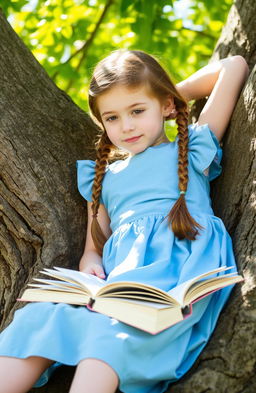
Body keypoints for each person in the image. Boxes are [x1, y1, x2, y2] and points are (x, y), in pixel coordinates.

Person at [0, 49, 249, 393]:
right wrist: (90, 263)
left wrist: (169, 96)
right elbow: (94, 247)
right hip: (119, 286)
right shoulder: (105, 176)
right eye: (112, 117)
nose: (126, 126)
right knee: (38, 319)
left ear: (164, 106)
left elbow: (233, 67)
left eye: (137, 110)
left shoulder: (190, 150)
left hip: (172, 280)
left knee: (108, 341)